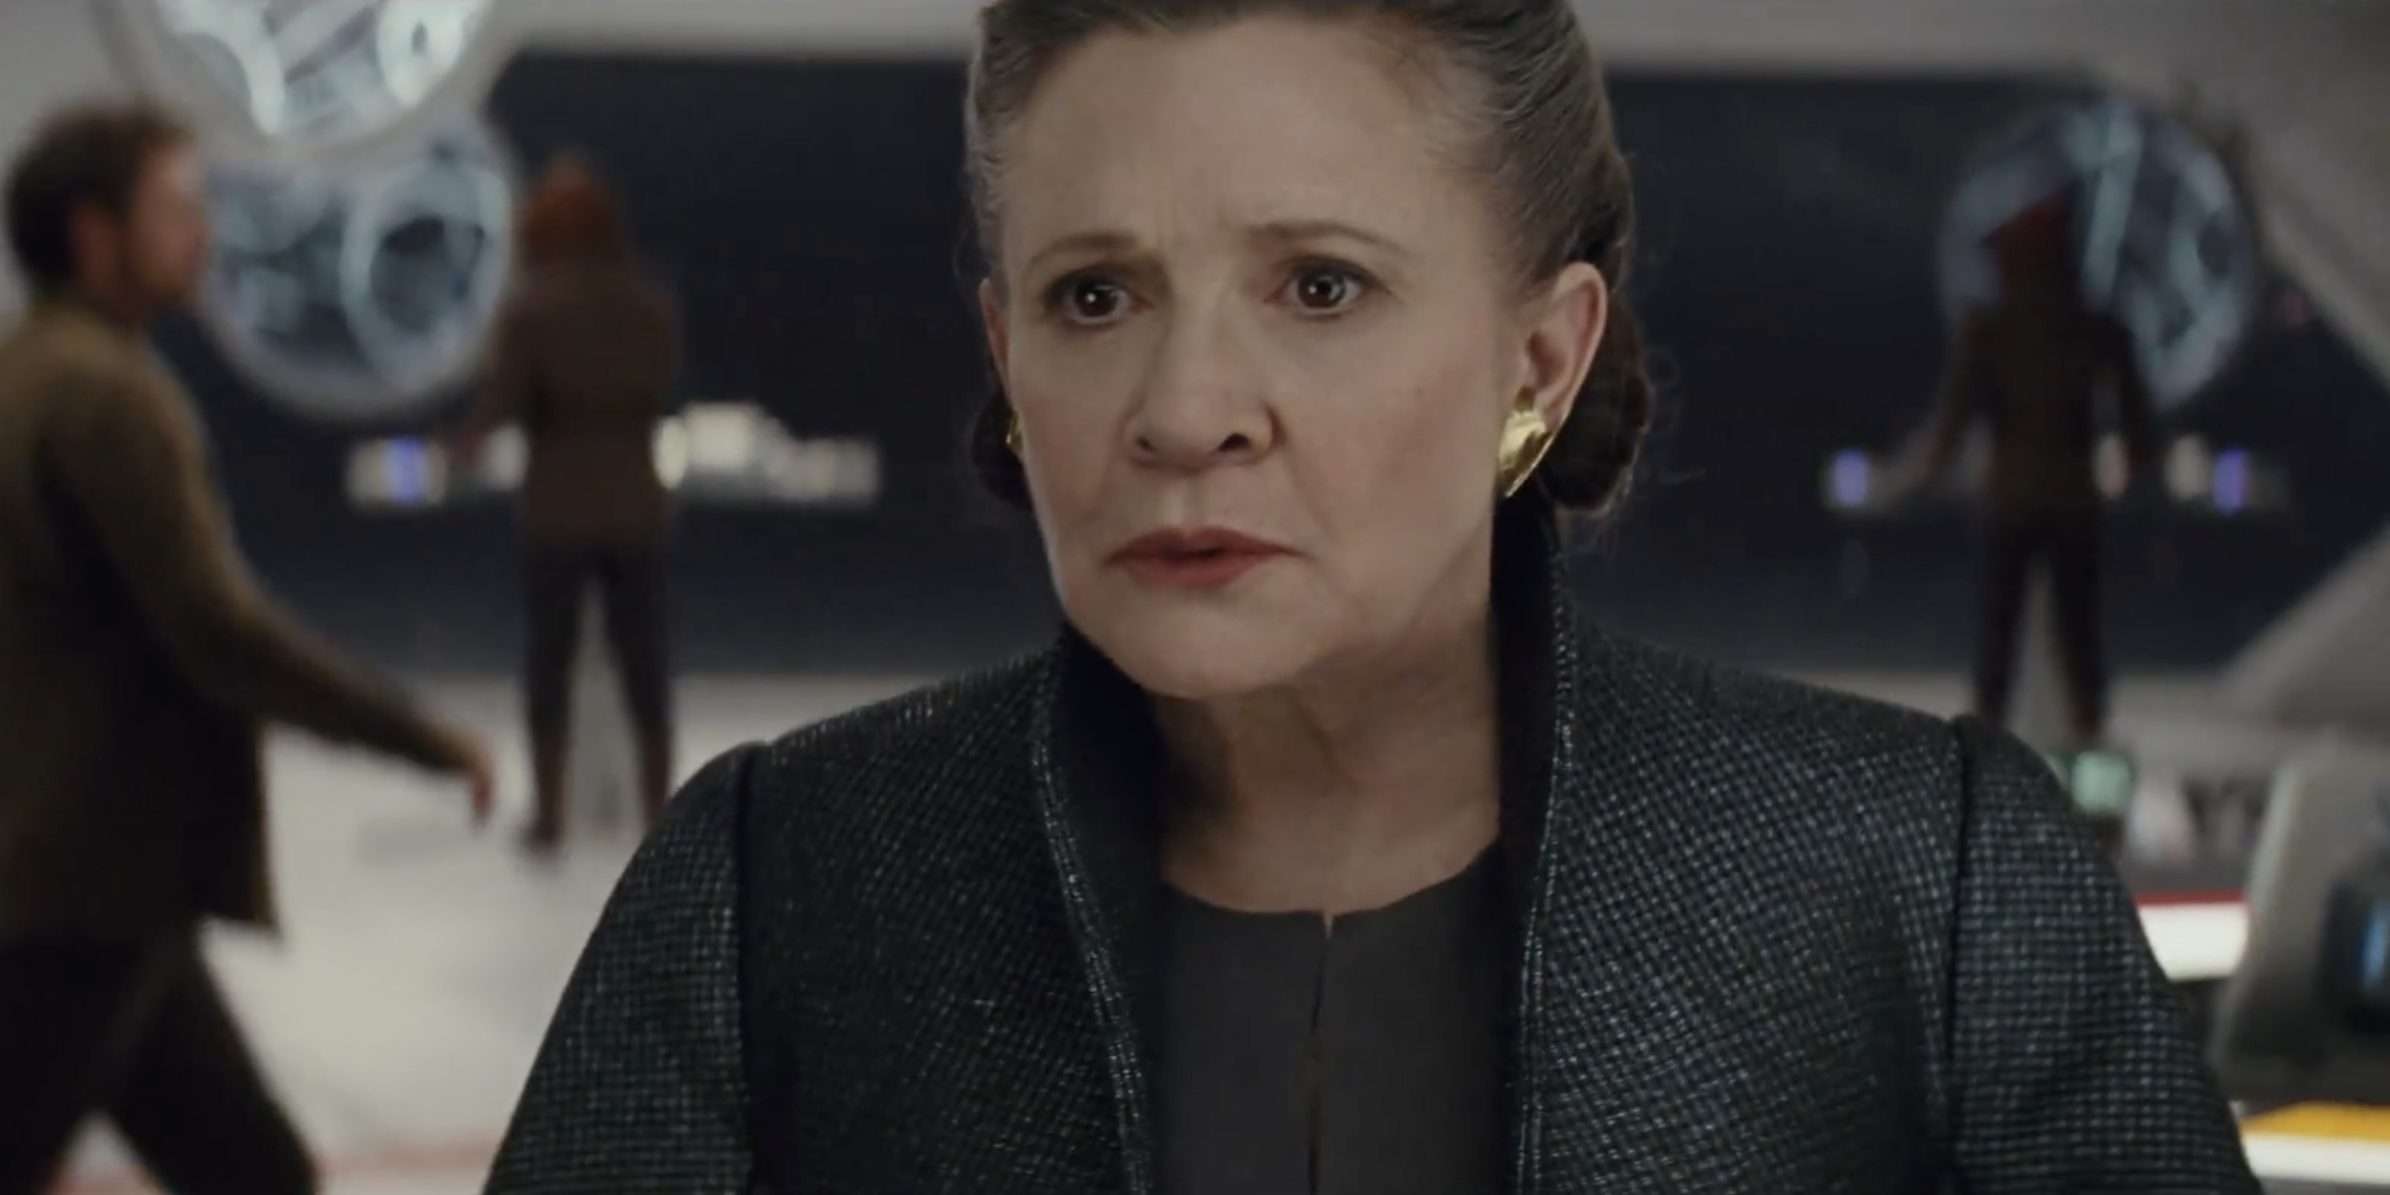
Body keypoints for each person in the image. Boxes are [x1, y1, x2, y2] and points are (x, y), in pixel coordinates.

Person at [488, 3, 2255, 1191]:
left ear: (1539, 362)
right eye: (1096, 295)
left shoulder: (1926, 898)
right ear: (1007, 357)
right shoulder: (771, 900)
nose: (1184, 410)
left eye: (1320, 287)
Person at [0, 102, 494, 1194]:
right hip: (88, 871)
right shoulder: (106, 394)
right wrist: (418, 736)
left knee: (255, 1172)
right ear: (94, 235)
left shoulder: (26, 371)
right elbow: (218, 631)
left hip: (87, 873)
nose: (204, 234)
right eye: (177, 208)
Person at [449, 155, 681, 852]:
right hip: (636, 503)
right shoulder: (647, 302)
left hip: (557, 510)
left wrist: (460, 444)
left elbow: (500, 402)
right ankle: (660, 811)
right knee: (644, 660)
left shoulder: (531, 309)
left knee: (549, 660)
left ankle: (550, 816)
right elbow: (662, 383)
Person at [1882, 192, 2160, 746]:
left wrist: (1908, 479)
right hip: (2072, 500)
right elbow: (2139, 429)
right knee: (2076, 631)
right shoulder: (2094, 328)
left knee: (2002, 632)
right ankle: (2086, 733)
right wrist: (2139, 472)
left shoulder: (1993, 330)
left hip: (2012, 499)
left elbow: (1952, 424)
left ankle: (1990, 741)